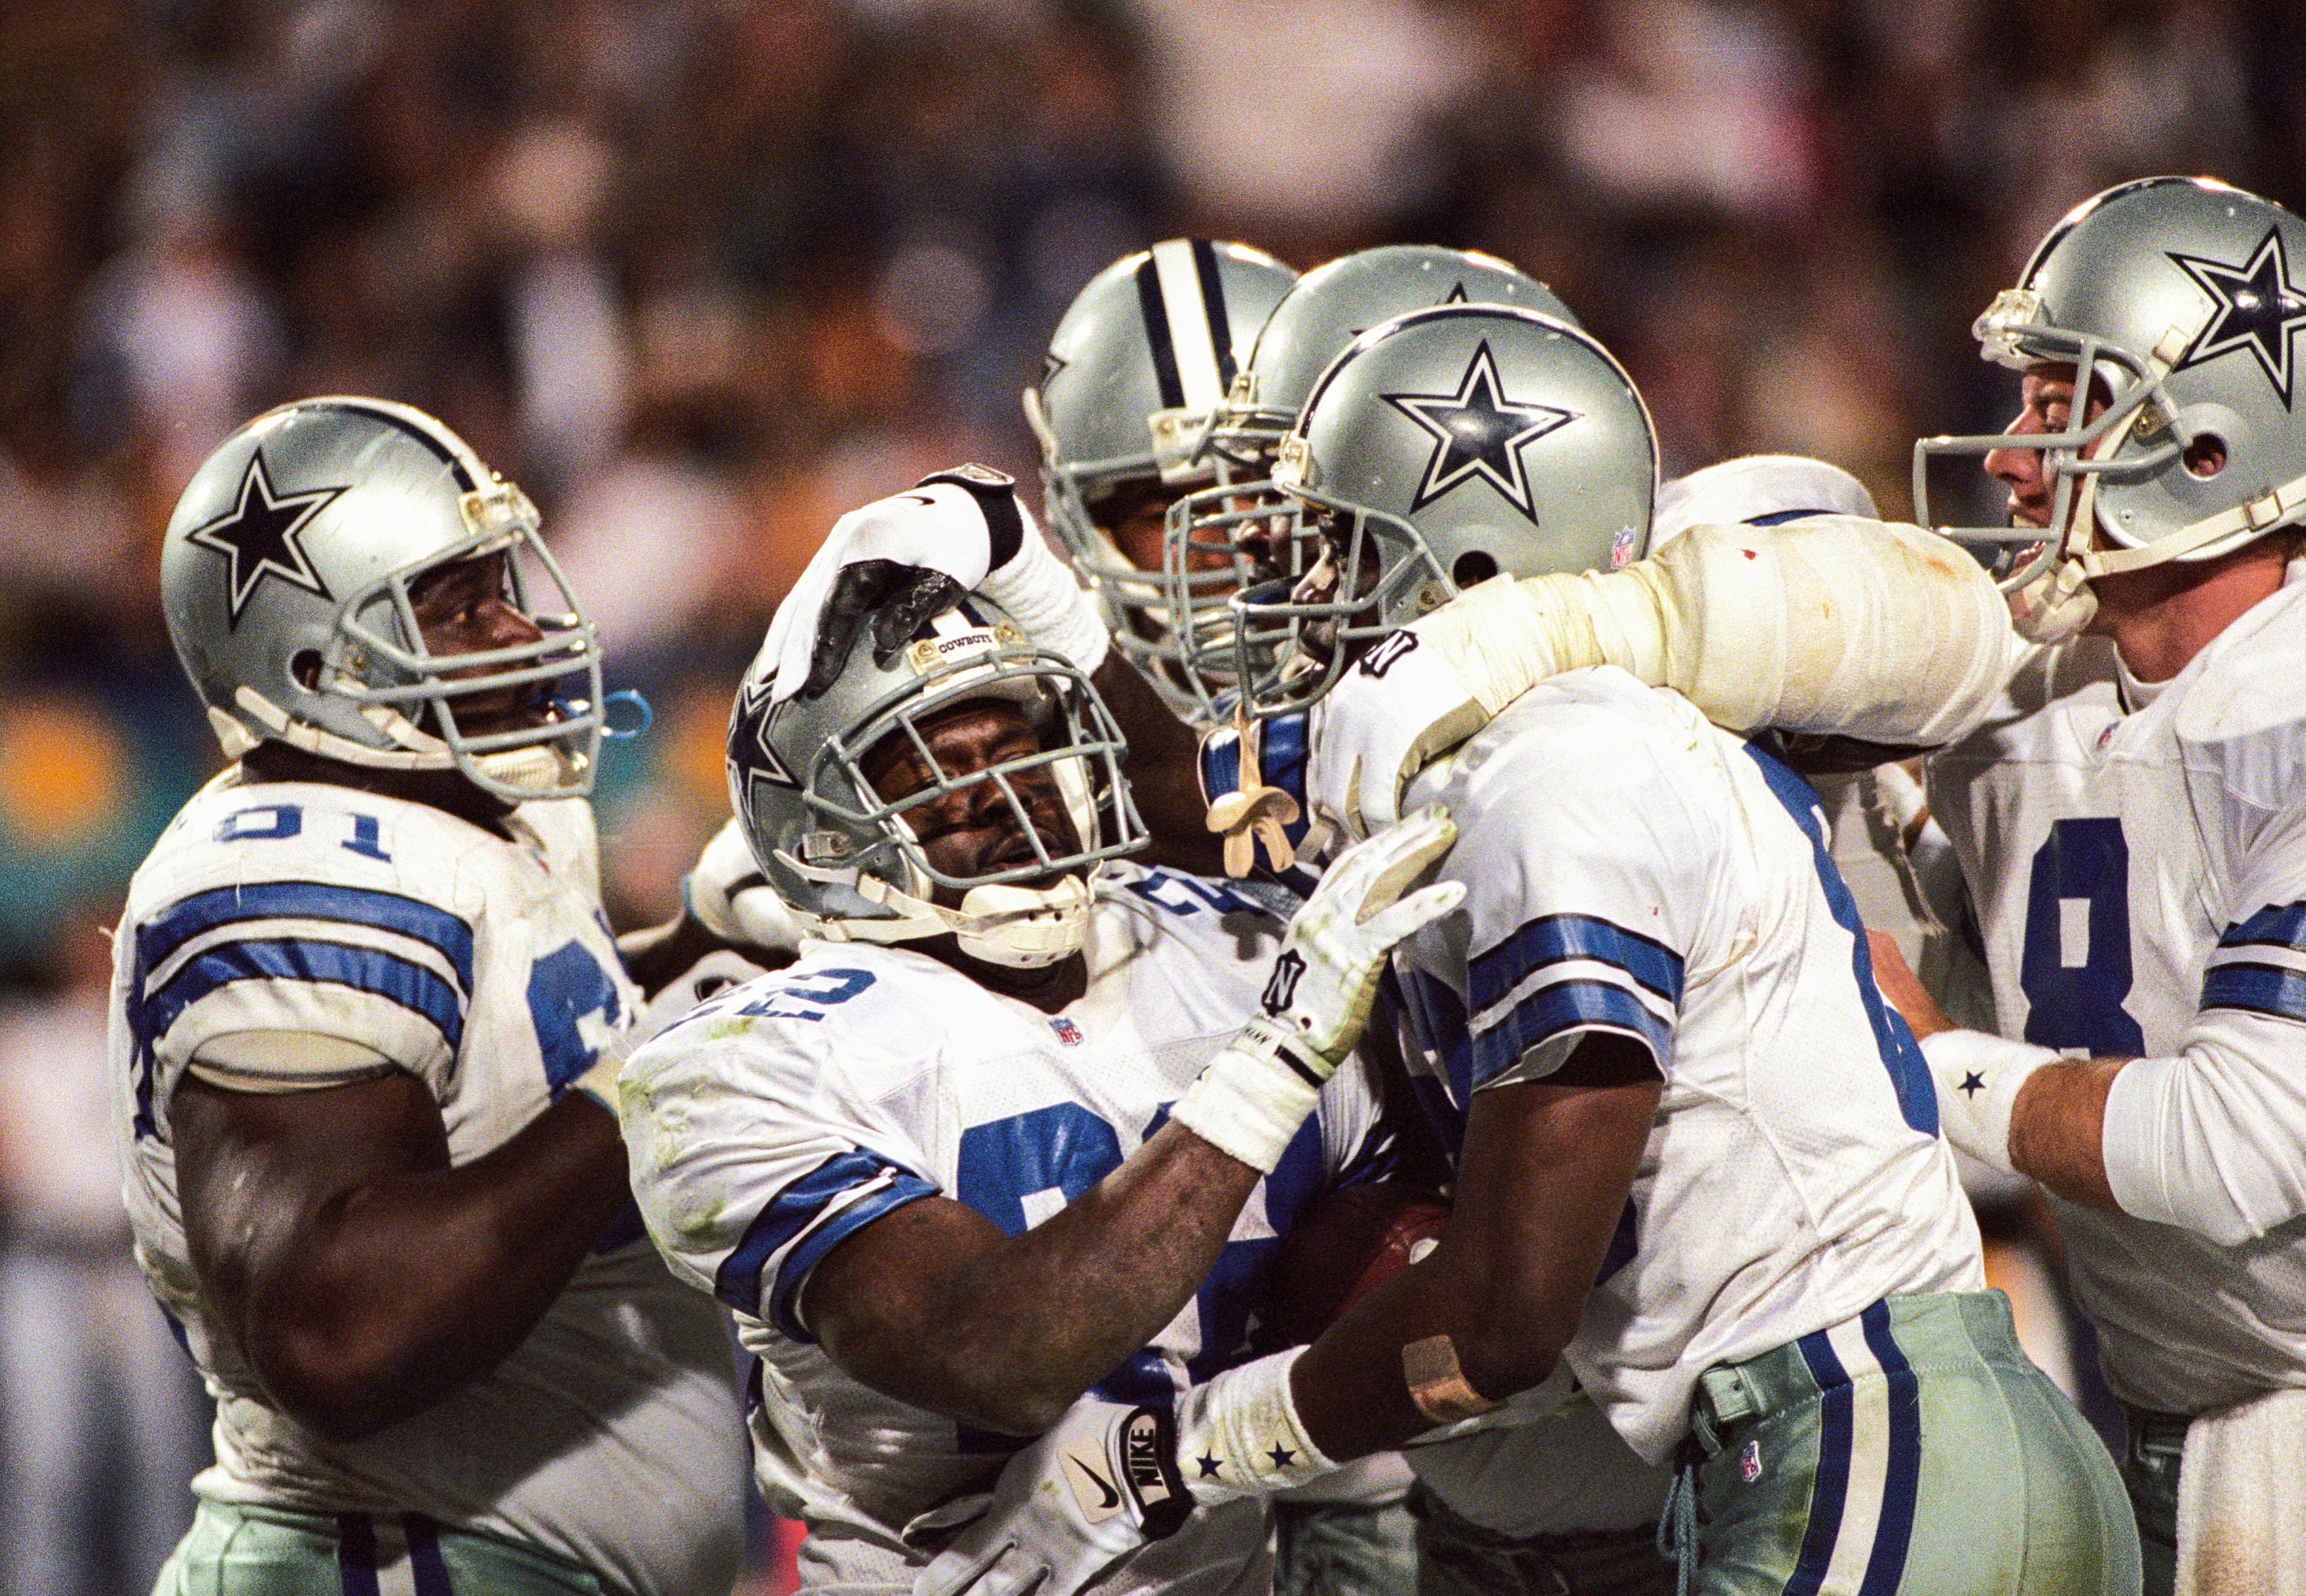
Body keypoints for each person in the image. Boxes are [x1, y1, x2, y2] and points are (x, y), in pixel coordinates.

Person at [921, 304, 2138, 1596]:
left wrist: (1181, 1454)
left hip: (1865, 1454)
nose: (1295, 592)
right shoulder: (1510, 765)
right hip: (1840, 1451)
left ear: (1473, 566)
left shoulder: (1564, 764)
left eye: (1334, 548)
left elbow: (1502, 1320)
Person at [617, 591, 1463, 1594]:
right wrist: (1273, 1062)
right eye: (932, 772)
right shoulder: (740, 1059)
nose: (1007, 795)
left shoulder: (1236, 945)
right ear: (827, 835)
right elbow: (994, 1352)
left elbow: (1406, 1257)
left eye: (1019, 749)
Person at [114, 397, 747, 1595]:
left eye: (505, 583)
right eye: (457, 611)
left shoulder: (473, 813)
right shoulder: (290, 870)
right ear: (314, 666)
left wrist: (708, 954)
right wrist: (659, 1079)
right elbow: (337, 1328)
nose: (522, 626)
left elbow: (540, 1097)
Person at [1876, 175, 2306, 1596]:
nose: (2010, 459)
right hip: (2164, 1390)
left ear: (2205, 443)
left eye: (2059, 403)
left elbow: (2231, 1149)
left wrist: (1931, 1065)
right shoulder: (2036, 695)